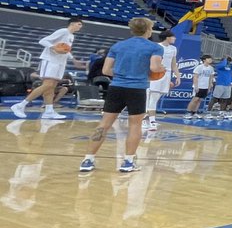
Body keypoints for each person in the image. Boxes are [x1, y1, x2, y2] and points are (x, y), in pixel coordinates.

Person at [79, 17, 163, 174]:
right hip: (137, 89)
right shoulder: (155, 47)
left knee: (104, 124)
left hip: (116, 87)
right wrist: (160, 69)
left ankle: (88, 159)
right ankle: (128, 162)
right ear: (148, 30)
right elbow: (154, 67)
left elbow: (106, 71)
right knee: (135, 125)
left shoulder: (118, 46)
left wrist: (122, 75)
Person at [11, 16, 83, 119]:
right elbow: (43, 41)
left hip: (60, 62)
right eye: (79, 24)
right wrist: (53, 47)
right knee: (47, 85)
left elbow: (66, 50)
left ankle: (49, 111)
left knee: (51, 86)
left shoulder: (71, 36)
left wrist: (74, 60)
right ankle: (20, 105)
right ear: (72, 23)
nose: (80, 27)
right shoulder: (63, 31)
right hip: (51, 60)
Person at [144, 30, 180, 132]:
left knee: (156, 97)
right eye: (173, 37)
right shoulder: (156, 47)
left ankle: (146, 118)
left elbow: (173, 64)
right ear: (167, 37)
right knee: (152, 97)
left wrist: (177, 76)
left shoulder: (173, 48)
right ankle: (151, 121)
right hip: (156, 73)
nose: (175, 38)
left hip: (167, 74)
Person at [186, 54, 215, 121]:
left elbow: (211, 78)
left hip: (205, 87)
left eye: (211, 58)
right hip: (199, 86)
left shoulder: (211, 68)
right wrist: (196, 86)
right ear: (204, 60)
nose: (210, 60)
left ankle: (194, 112)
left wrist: (209, 87)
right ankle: (188, 113)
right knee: (195, 99)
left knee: (199, 100)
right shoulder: (199, 67)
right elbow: (195, 77)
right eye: (208, 58)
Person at [210, 55, 232, 120]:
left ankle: (221, 112)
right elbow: (222, 65)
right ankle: (208, 112)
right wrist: (225, 59)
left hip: (228, 85)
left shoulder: (230, 68)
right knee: (215, 99)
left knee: (224, 99)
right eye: (227, 61)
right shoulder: (219, 66)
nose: (228, 62)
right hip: (220, 84)